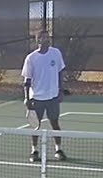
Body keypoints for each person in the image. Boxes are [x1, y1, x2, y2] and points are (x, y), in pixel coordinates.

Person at [21, 29, 68, 163]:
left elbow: (60, 73)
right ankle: (34, 151)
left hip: (52, 97)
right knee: (35, 126)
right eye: (44, 38)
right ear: (38, 40)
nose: (47, 39)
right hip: (37, 99)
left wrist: (60, 91)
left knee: (55, 123)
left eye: (48, 37)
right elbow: (27, 80)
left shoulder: (56, 53)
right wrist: (27, 98)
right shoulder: (31, 58)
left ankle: (58, 149)